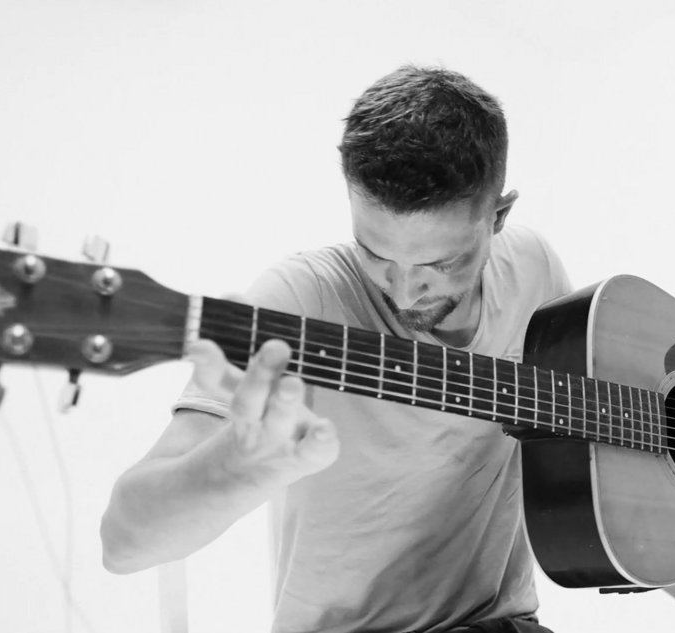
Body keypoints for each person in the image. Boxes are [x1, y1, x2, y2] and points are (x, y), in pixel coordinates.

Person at [100, 65, 571, 633]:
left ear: (498, 216)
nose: (403, 291)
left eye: (438, 264)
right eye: (376, 254)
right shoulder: (297, 303)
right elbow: (121, 544)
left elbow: (593, 466)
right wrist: (238, 466)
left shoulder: (535, 271)